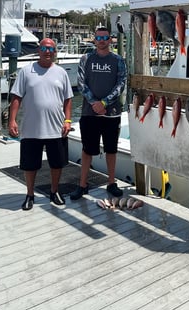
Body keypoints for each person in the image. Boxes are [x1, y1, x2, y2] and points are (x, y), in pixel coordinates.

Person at [8, 38, 74, 210]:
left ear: (55, 52)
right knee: (30, 164)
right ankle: (30, 194)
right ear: (39, 50)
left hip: (56, 127)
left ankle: (54, 191)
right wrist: (12, 120)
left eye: (51, 49)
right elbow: (16, 97)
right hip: (31, 128)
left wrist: (68, 120)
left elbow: (68, 99)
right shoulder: (26, 71)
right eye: (44, 48)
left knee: (57, 163)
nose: (47, 51)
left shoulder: (61, 72)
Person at [70, 27, 127, 200]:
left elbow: (121, 83)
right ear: (94, 40)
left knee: (111, 150)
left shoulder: (118, 60)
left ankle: (111, 183)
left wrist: (104, 102)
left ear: (111, 40)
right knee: (87, 150)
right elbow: (81, 83)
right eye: (99, 37)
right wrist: (94, 102)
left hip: (112, 114)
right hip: (89, 113)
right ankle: (82, 185)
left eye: (105, 37)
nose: (102, 40)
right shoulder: (86, 58)